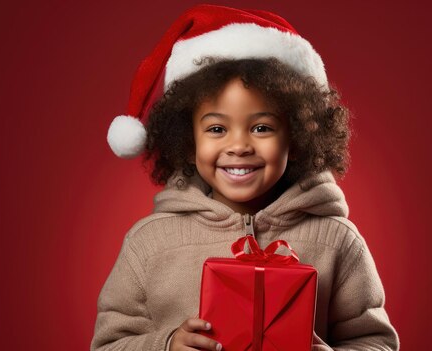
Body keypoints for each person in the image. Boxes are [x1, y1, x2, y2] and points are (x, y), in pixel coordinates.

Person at [92, 4, 399, 351]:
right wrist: (166, 345)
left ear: (296, 138)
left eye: (262, 127)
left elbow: (376, 342)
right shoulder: (149, 243)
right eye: (217, 128)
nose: (239, 145)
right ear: (189, 140)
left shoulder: (338, 241)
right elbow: (107, 345)